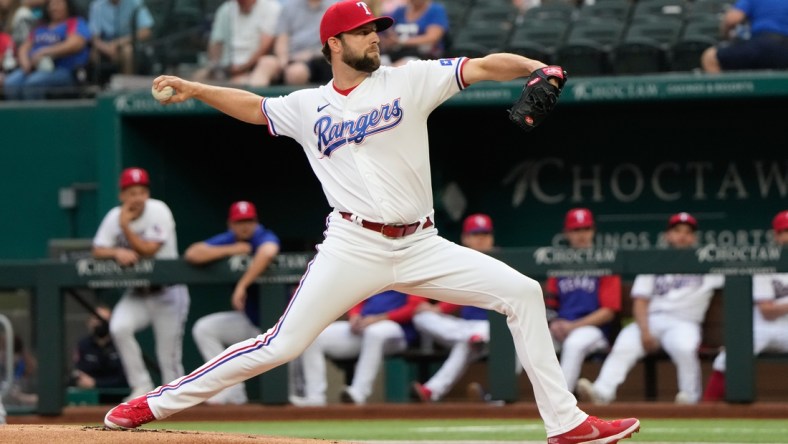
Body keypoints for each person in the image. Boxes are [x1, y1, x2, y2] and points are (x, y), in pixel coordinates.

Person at [105, 2, 640, 442]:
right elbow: (253, 106)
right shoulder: (307, 106)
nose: (375, 38)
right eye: (363, 32)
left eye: (376, 29)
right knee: (280, 345)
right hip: (352, 244)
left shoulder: (410, 80)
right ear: (334, 44)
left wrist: (532, 68)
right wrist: (198, 89)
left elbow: (480, 66)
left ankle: (566, 423)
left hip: (421, 243)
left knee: (522, 293)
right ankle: (153, 404)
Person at [577, 212, 726, 405]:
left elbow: (736, 276)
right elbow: (641, 301)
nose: (682, 235)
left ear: (694, 237)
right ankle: (602, 392)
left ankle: (690, 398)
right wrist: (645, 331)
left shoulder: (707, 263)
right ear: (668, 236)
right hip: (652, 320)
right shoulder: (655, 260)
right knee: (625, 343)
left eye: (688, 232)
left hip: (684, 323)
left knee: (685, 348)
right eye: (677, 230)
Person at [92, 167, 190, 402]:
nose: (137, 197)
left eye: (142, 191)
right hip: (138, 293)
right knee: (119, 327)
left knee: (168, 358)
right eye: (132, 192)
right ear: (122, 195)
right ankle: (141, 385)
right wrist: (117, 251)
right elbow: (97, 249)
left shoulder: (158, 210)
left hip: (168, 292)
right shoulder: (114, 216)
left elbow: (148, 250)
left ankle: (178, 402)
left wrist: (125, 228)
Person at [184, 200, 281, 405]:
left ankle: (311, 401)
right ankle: (232, 392)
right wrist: (231, 249)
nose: (244, 226)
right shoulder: (230, 240)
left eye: (249, 221)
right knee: (205, 328)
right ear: (231, 224)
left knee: (296, 360)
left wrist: (242, 285)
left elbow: (268, 252)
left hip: (280, 323)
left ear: (256, 222)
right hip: (252, 321)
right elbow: (192, 253)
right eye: (240, 222)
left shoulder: (262, 235)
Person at [702, 210, 788, 402]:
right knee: (728, 358)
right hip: (764, 327)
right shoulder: (767, 263)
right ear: (777, 236)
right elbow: (767, 311)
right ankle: (706, 408)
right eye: (785, 232)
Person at [410, 213, 495, 403]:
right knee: (421, 318)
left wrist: (439, 309)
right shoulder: (458, 262)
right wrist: (434, 309)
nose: (481, 238)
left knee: (470, 341)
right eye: (476, 234)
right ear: (465, 238)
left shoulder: (502, 262)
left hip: (494, 329)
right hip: (463, 328)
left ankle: (431, 391)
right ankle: (474, 339)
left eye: (485, 233)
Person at [291, 290, 424, 406]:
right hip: (365, 326)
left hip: (397, 331)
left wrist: (380, 318)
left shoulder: (410, 267)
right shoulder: (374, 269)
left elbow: (414, 307)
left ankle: (358, 393)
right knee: (314, 335)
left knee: (375, 333)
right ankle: (315, 398)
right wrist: (354, 316)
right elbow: (358, 297)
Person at [545, 208, 621, 393]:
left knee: (574, 344)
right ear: (567, 233)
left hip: (593, 330)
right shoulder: (559, 264)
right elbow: (550, 303)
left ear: (593, 231)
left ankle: (561, 404)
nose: (581, 235)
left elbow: (608, 312)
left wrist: (573, 326)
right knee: (528, 339)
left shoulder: (605, 263)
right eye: (576, 230)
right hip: (561, 327)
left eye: (585, 229)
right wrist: (553, 322)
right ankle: (499, 396)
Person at [3, 0, 91, 100]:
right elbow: (24, 47)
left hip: (63, 70)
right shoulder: (41, 26)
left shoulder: (74, 22)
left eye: (58, 4)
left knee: (33, 84)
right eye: (51, 5)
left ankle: (36, 115)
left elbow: (75, 44)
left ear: (67, 6)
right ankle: (17, 115)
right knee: (11, 83)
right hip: (34, 69)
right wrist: (25, 62)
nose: (54, 8)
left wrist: (45, 52)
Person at [191, 0, 281, 87]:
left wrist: (242, 68)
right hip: (227, 68)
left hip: (253, 67)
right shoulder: (226, 9)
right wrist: (215, 66)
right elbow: (216, 43)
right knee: (197, 78)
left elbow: (265, 45)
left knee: (251, 77)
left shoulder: (270, 7)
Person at [252, 0, 337, 87]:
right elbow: (282, 38)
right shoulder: (289, 7)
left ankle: (294, 100)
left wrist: (310, 54)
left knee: (296, 72)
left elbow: (335, 43)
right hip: (290, 57)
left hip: (319, 59)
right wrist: (283, 59)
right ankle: (253, 99)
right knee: (265, 63)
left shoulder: (335, 8)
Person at [700, 0, 788, 73]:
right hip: (784, 46)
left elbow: (731, 19)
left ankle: (725, 92)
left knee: (710, 57)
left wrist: (726, 36)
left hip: (761, 44)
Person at [88, 0, 154, 80]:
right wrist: (107, 49)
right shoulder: (97, 5)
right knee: (93, 53)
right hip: (104, 48)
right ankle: (98, 87)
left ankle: (127, 86)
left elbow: (146, 31)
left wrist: (118, 43)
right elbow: (93, 37)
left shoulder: (135, 2)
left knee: (127, 50)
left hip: (127, 44)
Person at [70, 304, 128, 391]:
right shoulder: (83, 345)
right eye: (97, 319)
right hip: (90, 396)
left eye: (105, 320)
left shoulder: (121, 344)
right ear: (89, 322)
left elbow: (125, 378)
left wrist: (96, 383)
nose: (100, 324)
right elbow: (79, 374)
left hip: (119, 396)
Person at [380, 0, 449, 66]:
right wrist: (390, 37)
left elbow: (432, 38)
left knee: (403, 67)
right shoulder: (400, 10)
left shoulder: (435, 10)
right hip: (396, 53)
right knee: (379, 63)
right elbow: (387, 26)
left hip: (423, 56)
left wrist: (400, 41)